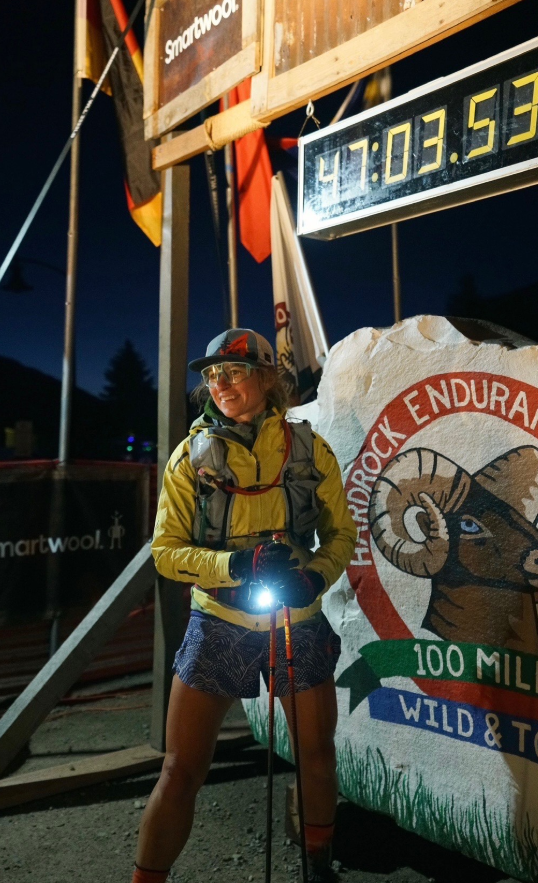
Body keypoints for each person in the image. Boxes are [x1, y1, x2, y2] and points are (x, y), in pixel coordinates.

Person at [132, 328, 357, 883]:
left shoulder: (309, 449)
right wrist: (234, 568)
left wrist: (315, 580)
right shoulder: (192, 456)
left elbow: (342, 536)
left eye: (232, 371)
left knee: (316, 757)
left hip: (296, 622)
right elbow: (165, 553)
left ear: (266, 377)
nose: (219, 383)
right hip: (219, 624)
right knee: (180, 769)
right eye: (211, 374)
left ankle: (318, 867)